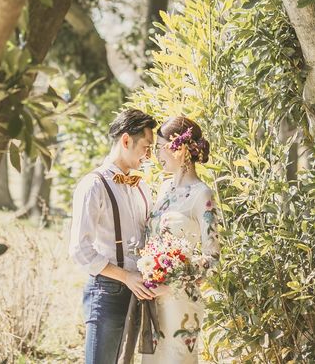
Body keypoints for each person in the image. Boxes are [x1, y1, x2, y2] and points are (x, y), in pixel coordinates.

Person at [69, 108, 161, 364]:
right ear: (126, 140)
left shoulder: (142, 187)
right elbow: (80, 249)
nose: (149, 155)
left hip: (138, 293)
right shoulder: (93, 185)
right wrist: (125, 277)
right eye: (146, 147)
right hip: (106, 291)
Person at [142, 116, 220, 363]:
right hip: (153, 298)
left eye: (160, 147)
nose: (156, 154)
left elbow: (212, 257)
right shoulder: (164, 188)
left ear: (180, 148)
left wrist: (173, 280)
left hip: (181, 301)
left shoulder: (202, 194)